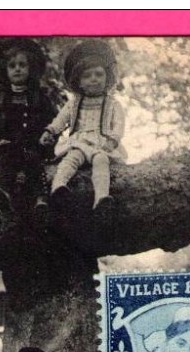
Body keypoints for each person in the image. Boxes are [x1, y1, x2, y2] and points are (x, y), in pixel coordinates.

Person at [40, 39, 126, 223]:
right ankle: (58, 186)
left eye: (99, 74)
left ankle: (101, 198)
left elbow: (118, 124)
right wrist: (50, 132)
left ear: (107, 78)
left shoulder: (113, 104)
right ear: (78, 81)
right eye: (87, 76)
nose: (94, 79)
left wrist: (113, 140)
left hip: (101, 144)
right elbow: (60, 120)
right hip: (79, 142)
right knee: (71, 158)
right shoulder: (73, 104)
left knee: (101, 160)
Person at [0, 38, 57, 222]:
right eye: (12, 65)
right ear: (5, 70)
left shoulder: (40, 97)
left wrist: (49, 136)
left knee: (33, 161)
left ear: (31, 69)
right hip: (6, 147)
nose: (17, 69)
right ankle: (4, 191)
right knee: (7, 158)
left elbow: (53, 122)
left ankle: (41, 198)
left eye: (22, 65)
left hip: (33, 146)